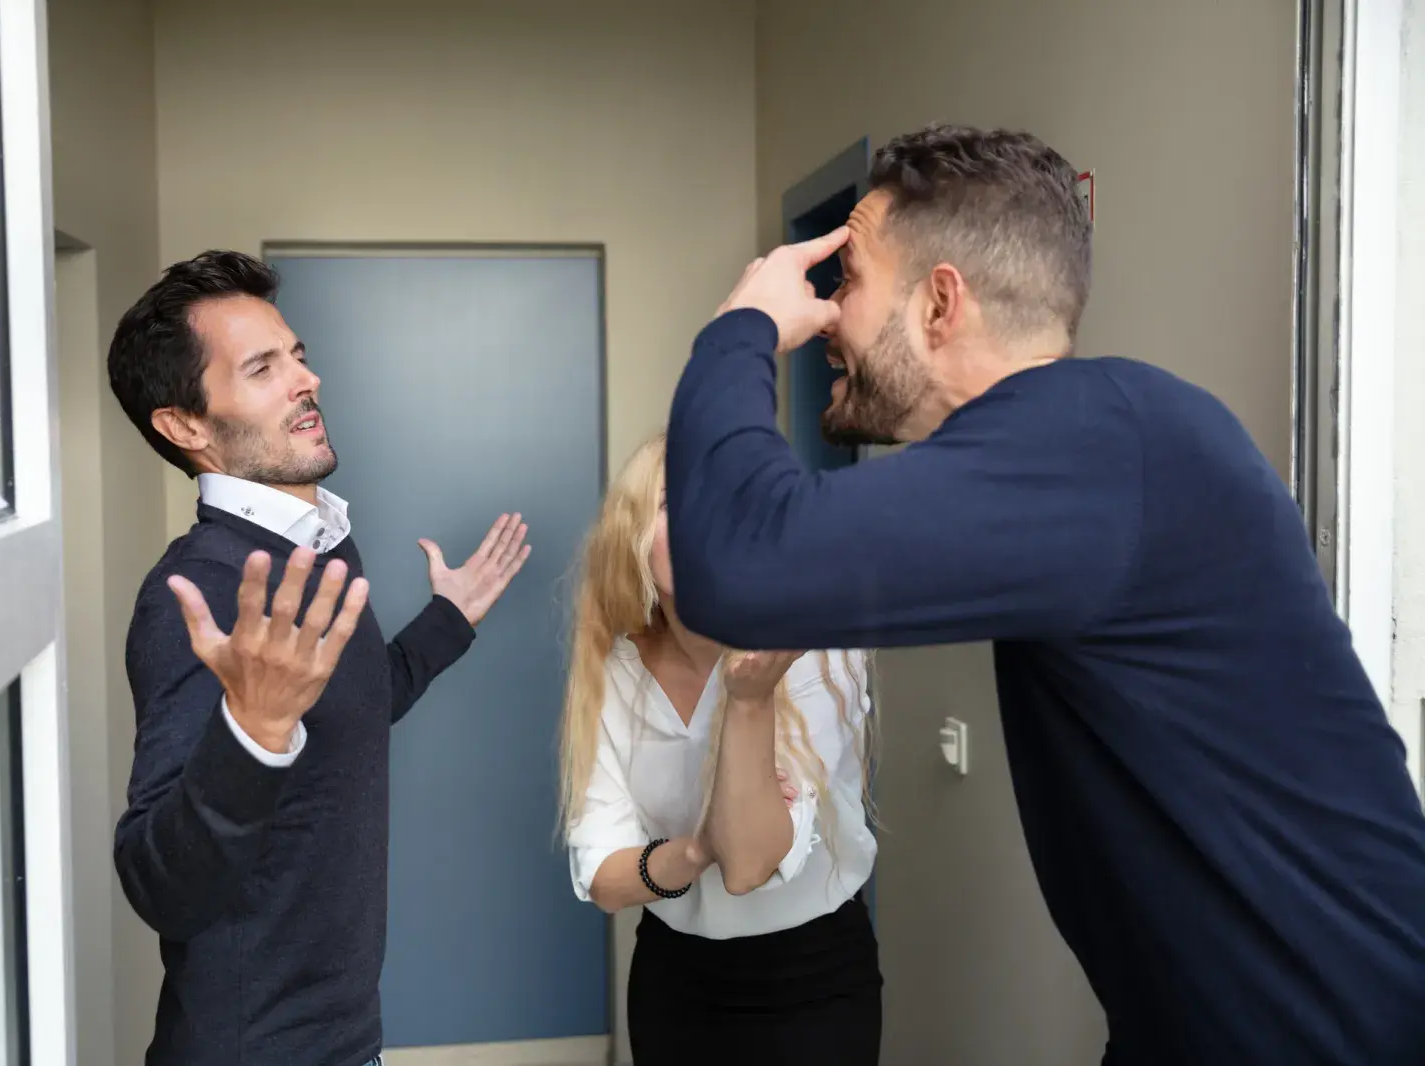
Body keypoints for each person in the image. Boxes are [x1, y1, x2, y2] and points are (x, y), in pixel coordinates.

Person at [663, 124, 1425, 1066]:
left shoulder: (1100, 442)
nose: (823, 317)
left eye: (847, 279)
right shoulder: (1088, 443)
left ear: (941, 303)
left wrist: (741, 324)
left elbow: (737, 564)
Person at [106, 250, 531, 1066]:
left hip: (346, 1037)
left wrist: (449, 620)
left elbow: (345, 707)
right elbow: (156, 882)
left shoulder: (317, 543)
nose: (308, 380)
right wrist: (253, 732)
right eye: (263, 368)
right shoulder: (198, 593)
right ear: (187, 425)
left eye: (296, 356)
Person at [560, 432, 882, 1066]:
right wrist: (696, 848)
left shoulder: (813, 647)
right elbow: (604, 877)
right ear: (633, 536)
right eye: (673, 504)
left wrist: (749, 700)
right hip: (674, 982)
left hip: (811, 983)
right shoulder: (616, 670)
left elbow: (751, 862)